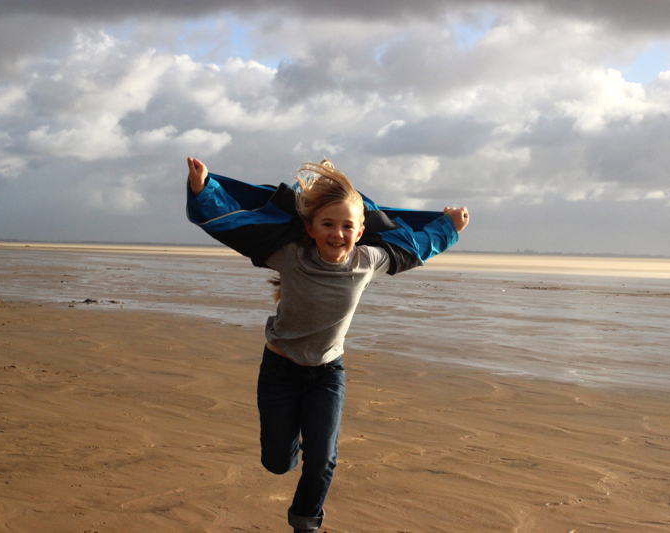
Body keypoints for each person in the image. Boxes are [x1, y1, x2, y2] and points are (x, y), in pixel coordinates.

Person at [186, 156, 469, 532]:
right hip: (279, 371)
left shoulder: (369, 260)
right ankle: (285, 456)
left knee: (322, 459)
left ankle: (306, 523)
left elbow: (418, 245)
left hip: (327, 374)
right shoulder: (289, 257)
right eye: (328, 224)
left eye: (347, 226)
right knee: (278, 463)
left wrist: (449, 225)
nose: (338, 233)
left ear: (361, 229)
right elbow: (235, 228)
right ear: (311, 227)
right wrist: (204, 189)